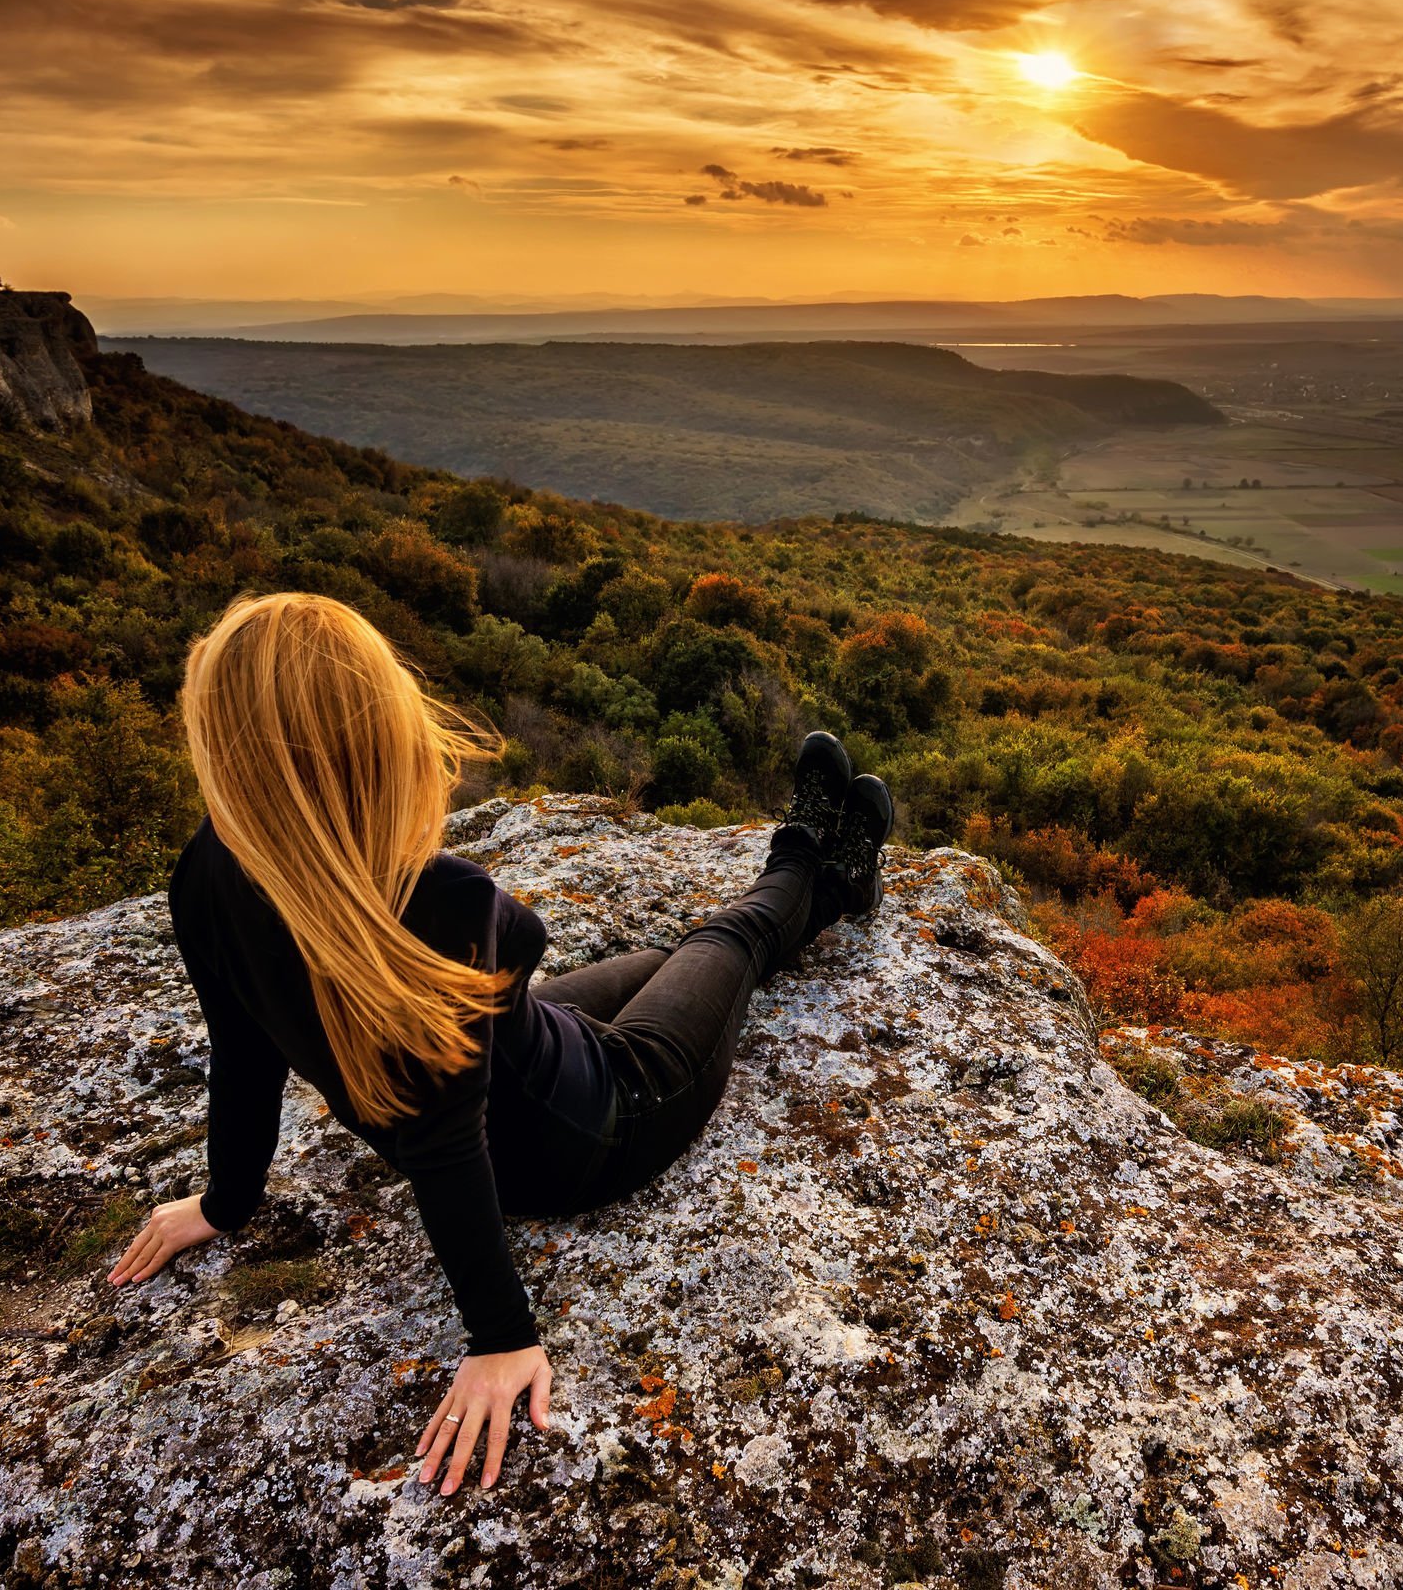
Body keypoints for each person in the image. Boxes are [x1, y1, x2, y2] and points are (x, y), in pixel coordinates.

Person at [104, 591, 893, 1495]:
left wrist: (224, 1202)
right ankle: (814, 865)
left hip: (521, 1057)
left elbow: (241, 1052)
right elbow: (467, 1086)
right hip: (600, 1122)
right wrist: (502, 1336)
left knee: (668, 959)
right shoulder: (440, 898)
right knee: (725, 945)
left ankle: (825, 872)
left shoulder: (207, 872)